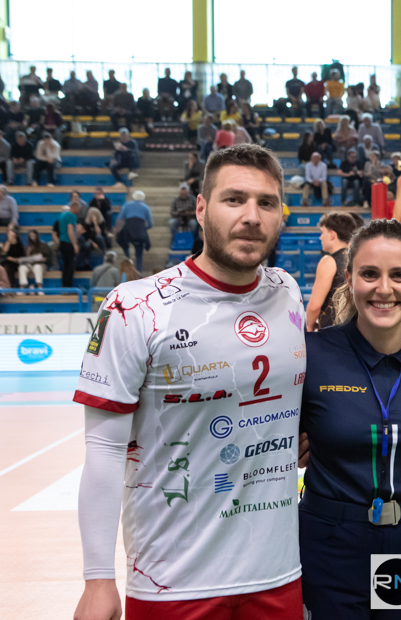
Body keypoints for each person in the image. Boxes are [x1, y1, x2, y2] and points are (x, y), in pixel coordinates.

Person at [72, 143, 305, 620]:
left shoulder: (287, 291)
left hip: (279, 575)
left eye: (267, 203)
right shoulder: (133, 307)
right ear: (200, 208)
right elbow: (104, 451)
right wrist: (98, 579)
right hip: (172, 582)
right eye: (234, 199)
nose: (252, 216)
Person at [298, 218, 401, 619]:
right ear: (349, 278)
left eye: (399, 275)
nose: (384, 289)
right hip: (330, 542)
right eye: (369, 274)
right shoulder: (311, 353)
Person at [304, 212, 362, 331]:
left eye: (322, 232)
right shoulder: (358, 259)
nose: (320, 237)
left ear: (332, 235)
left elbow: (314, 306)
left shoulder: (329, 261)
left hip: (334, 331)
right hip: (357, 329)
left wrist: (309, 326)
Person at [115, 190, 152, 270]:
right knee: (139, 254)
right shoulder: (146, 207)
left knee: (123, 241)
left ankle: (128, 257)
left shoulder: (127, 205)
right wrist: (145, 229)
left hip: (128, 230)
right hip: (140, 231)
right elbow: (150, 223)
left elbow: (119, 218)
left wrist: (119, 229)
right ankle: (139, 271)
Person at [17, 228, 51, 293]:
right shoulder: (27, 247)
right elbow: (25, 259)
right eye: (31, 236)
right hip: (29, 264)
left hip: (39, 263)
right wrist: (28, 252)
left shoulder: (43, 246)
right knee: (22, 268)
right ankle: (22, 287)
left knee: (37, 267)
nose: (32, 238)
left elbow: (47, 257)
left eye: (33, 236)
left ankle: (40, 287)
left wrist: (43, 259)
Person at [56, 203, 79, 287]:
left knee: (65, 266)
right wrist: (75, 244)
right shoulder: (71, 216)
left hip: (62, 241)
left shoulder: (61, 215)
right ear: (74, 207)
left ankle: (64, 286)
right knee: (70, 266)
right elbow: (70, 230)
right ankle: (68, 286)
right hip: (68, 242)